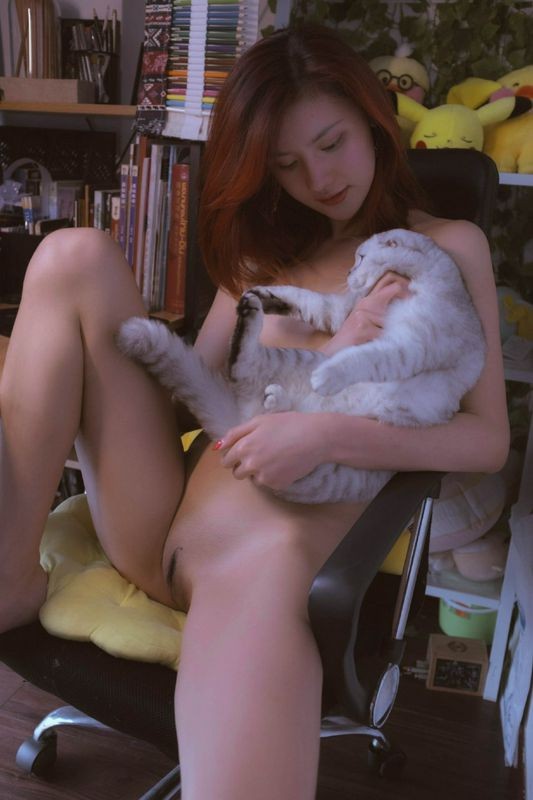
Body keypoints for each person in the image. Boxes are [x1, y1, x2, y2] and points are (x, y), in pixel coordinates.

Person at [0, 24, 509, 800]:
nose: (319, 178)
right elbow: (195, 386)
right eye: (286, 164)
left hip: (258, 562)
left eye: (331, 143)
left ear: (372, 118)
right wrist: (70, 370)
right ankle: (8, 578)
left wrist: (322, 433)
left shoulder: (447, 247)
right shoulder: (263, 253)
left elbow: (486, 438)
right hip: (161, 514)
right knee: (73, 255)